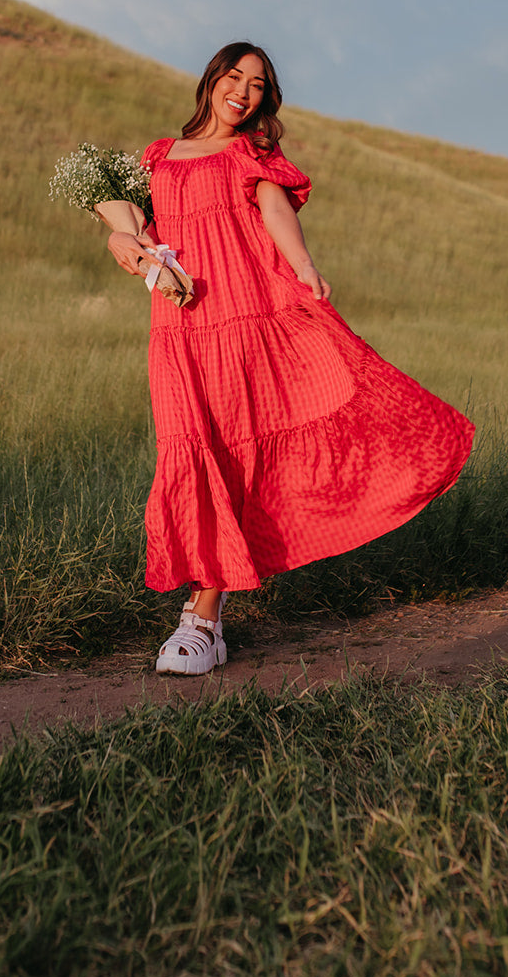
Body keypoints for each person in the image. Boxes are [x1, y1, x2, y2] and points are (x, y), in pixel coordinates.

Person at [108, 41, 474, 676]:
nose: (244, 91)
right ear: (212, 80)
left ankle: (201, 619)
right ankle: (208, 622)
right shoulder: (156, 157)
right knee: (189, 447)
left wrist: (305, 268)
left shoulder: (252, 152)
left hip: (244, 314)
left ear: (263, 101)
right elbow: (136, 228)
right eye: (235, 76)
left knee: (234, 447)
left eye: (258, 85)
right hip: (179, 323)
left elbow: (274, 208)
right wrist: (125, 240)